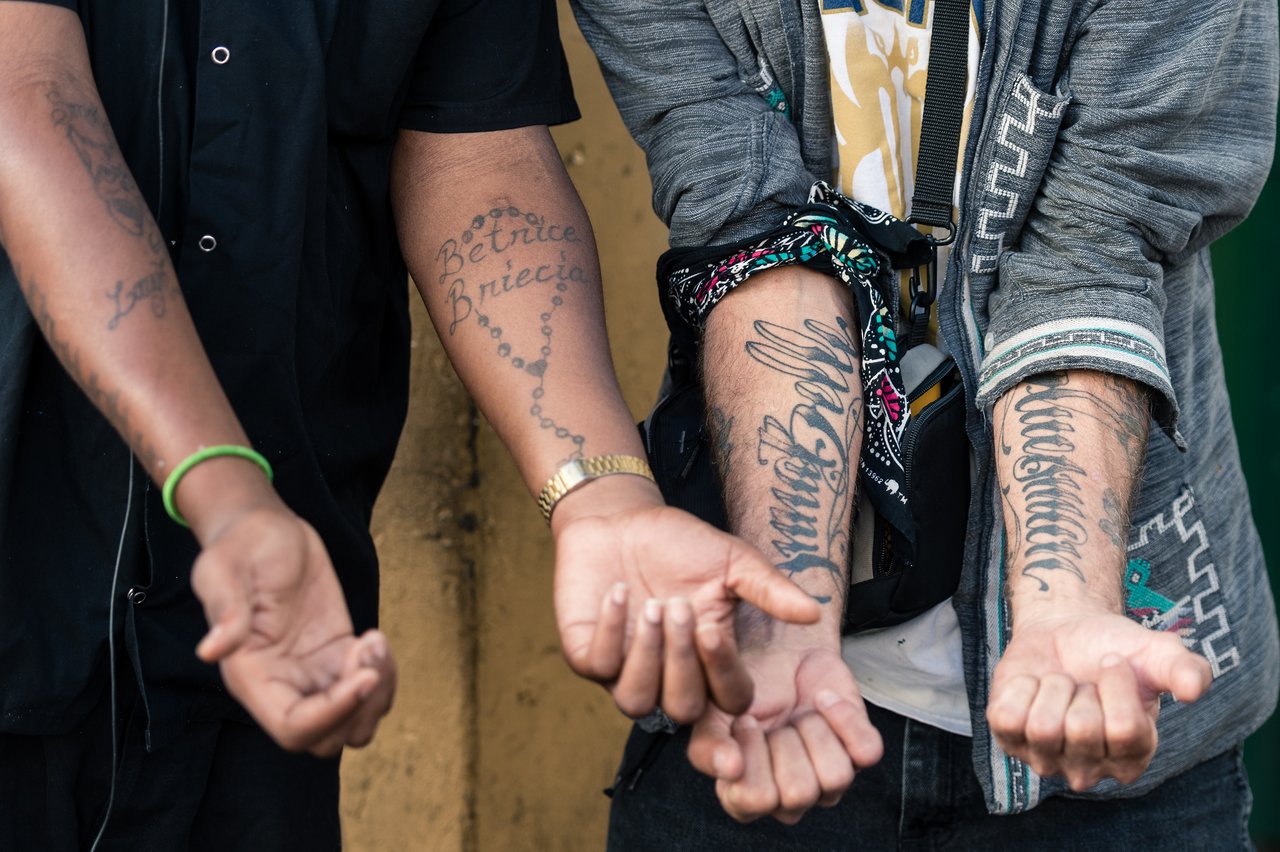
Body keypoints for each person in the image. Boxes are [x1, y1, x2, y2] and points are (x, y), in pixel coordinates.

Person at [0, 1, 814, 848]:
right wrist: (228, 499)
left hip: (281, 629)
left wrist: (602, 496)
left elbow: (481, 158)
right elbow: (26, 95)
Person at [569, 0, 1280, 846]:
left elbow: (1092, 254)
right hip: (759, 694)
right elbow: (750, 233)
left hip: (1111, 718)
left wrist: (1066, 607)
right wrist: (786, 618)